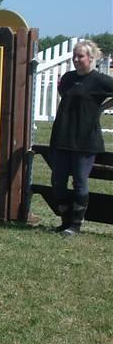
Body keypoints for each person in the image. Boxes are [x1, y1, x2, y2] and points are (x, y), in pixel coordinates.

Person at [49, 40, 113, 236]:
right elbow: (63, 94)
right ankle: (64, 220)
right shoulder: (68, 78)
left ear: (91, 58)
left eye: (81, 56)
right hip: (62, 137)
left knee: (80, 182)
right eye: (74, 56)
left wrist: (103, 107)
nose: (76, 60)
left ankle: (75, 225)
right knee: (57, 181)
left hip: (85, 141)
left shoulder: (100, 80)